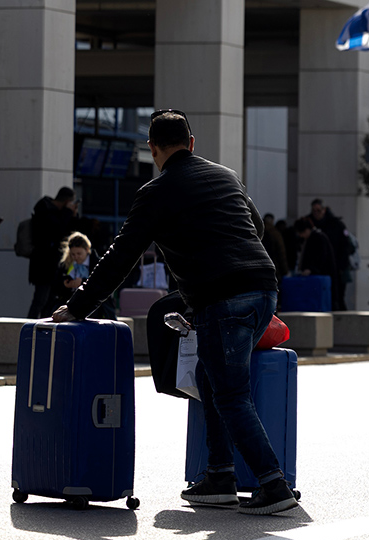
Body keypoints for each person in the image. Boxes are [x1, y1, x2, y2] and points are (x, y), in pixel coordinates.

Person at [51, 110, 297, 516]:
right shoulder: (226, 176)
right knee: (208, 375)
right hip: (265, 289)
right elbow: (255, 224)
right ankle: (219, 475)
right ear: (192, 142)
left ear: (152, 150)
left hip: (222, 299)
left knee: (231, 393)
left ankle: (273, 483)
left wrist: (78, 307)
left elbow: (120, 258)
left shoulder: (155, 192)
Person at [28, 187, 80, 318]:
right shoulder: (44, 208)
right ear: (67, 201)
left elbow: (68, 234)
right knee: (40, 300)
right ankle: (29, 327)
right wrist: (67, 212)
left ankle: (45, 327)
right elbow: (55, 229)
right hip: (43, 264)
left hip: (55, 265)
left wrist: (72, 215)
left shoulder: (61, 213)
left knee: (51, 301)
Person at [47, 232, 116, 320]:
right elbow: (55, 286)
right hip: (69, 303)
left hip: (93, 308)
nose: (76, 257)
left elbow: (102, 285)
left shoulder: (97, 263)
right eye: (73, 254)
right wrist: (65, 284)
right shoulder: (65, 264)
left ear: (87, 250)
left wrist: (83, 282)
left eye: (79, 254)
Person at [308, 199, 353, 311]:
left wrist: (341, 266)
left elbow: (345, 246)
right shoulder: (310, 225)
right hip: (321, 269)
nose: (316, 213)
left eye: (318, 210)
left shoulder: (336, 225)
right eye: (314, 211)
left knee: (337, 297)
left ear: (324, 210)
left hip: (337, 268)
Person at [261, 213, 289, 281]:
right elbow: (281, 253)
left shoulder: (257, 232)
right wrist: (285, 270)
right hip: (274, 267)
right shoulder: (275, 233)